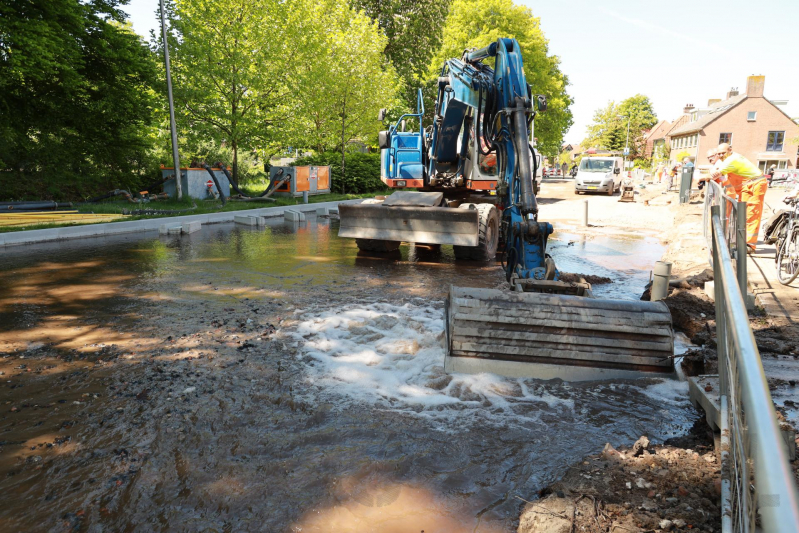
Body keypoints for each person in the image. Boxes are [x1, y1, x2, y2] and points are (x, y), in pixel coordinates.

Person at [708, 143, 767, 252]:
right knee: (742, 214)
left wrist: (700, 178)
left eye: (723, 152)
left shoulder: (732, 160)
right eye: (719, 153)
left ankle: (749, 245)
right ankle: (741, 242)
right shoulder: (728, 159)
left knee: (751, 213)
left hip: (754, 186)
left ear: (730, 150)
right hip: (747, 187)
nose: (721, 155)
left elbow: (716, 174)